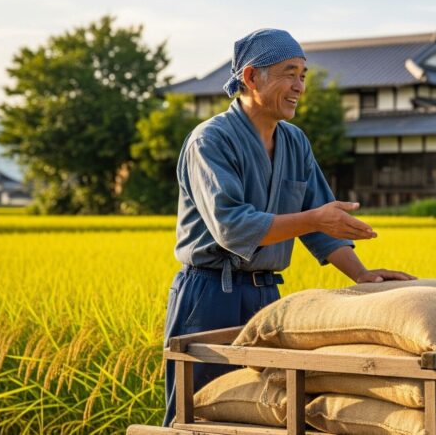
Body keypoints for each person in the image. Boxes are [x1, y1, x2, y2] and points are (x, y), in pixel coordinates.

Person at [163, 28, 415, 426]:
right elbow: (233, 226)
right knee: (197, 415)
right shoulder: (210, 141)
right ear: (250, 78)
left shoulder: (295, 142)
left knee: (262, 417)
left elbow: (320, 223)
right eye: (289, 73)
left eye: (303, 75)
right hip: (210, 293)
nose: (299, 86)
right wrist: (315, 218)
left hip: (267, 299)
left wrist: (362, 275)